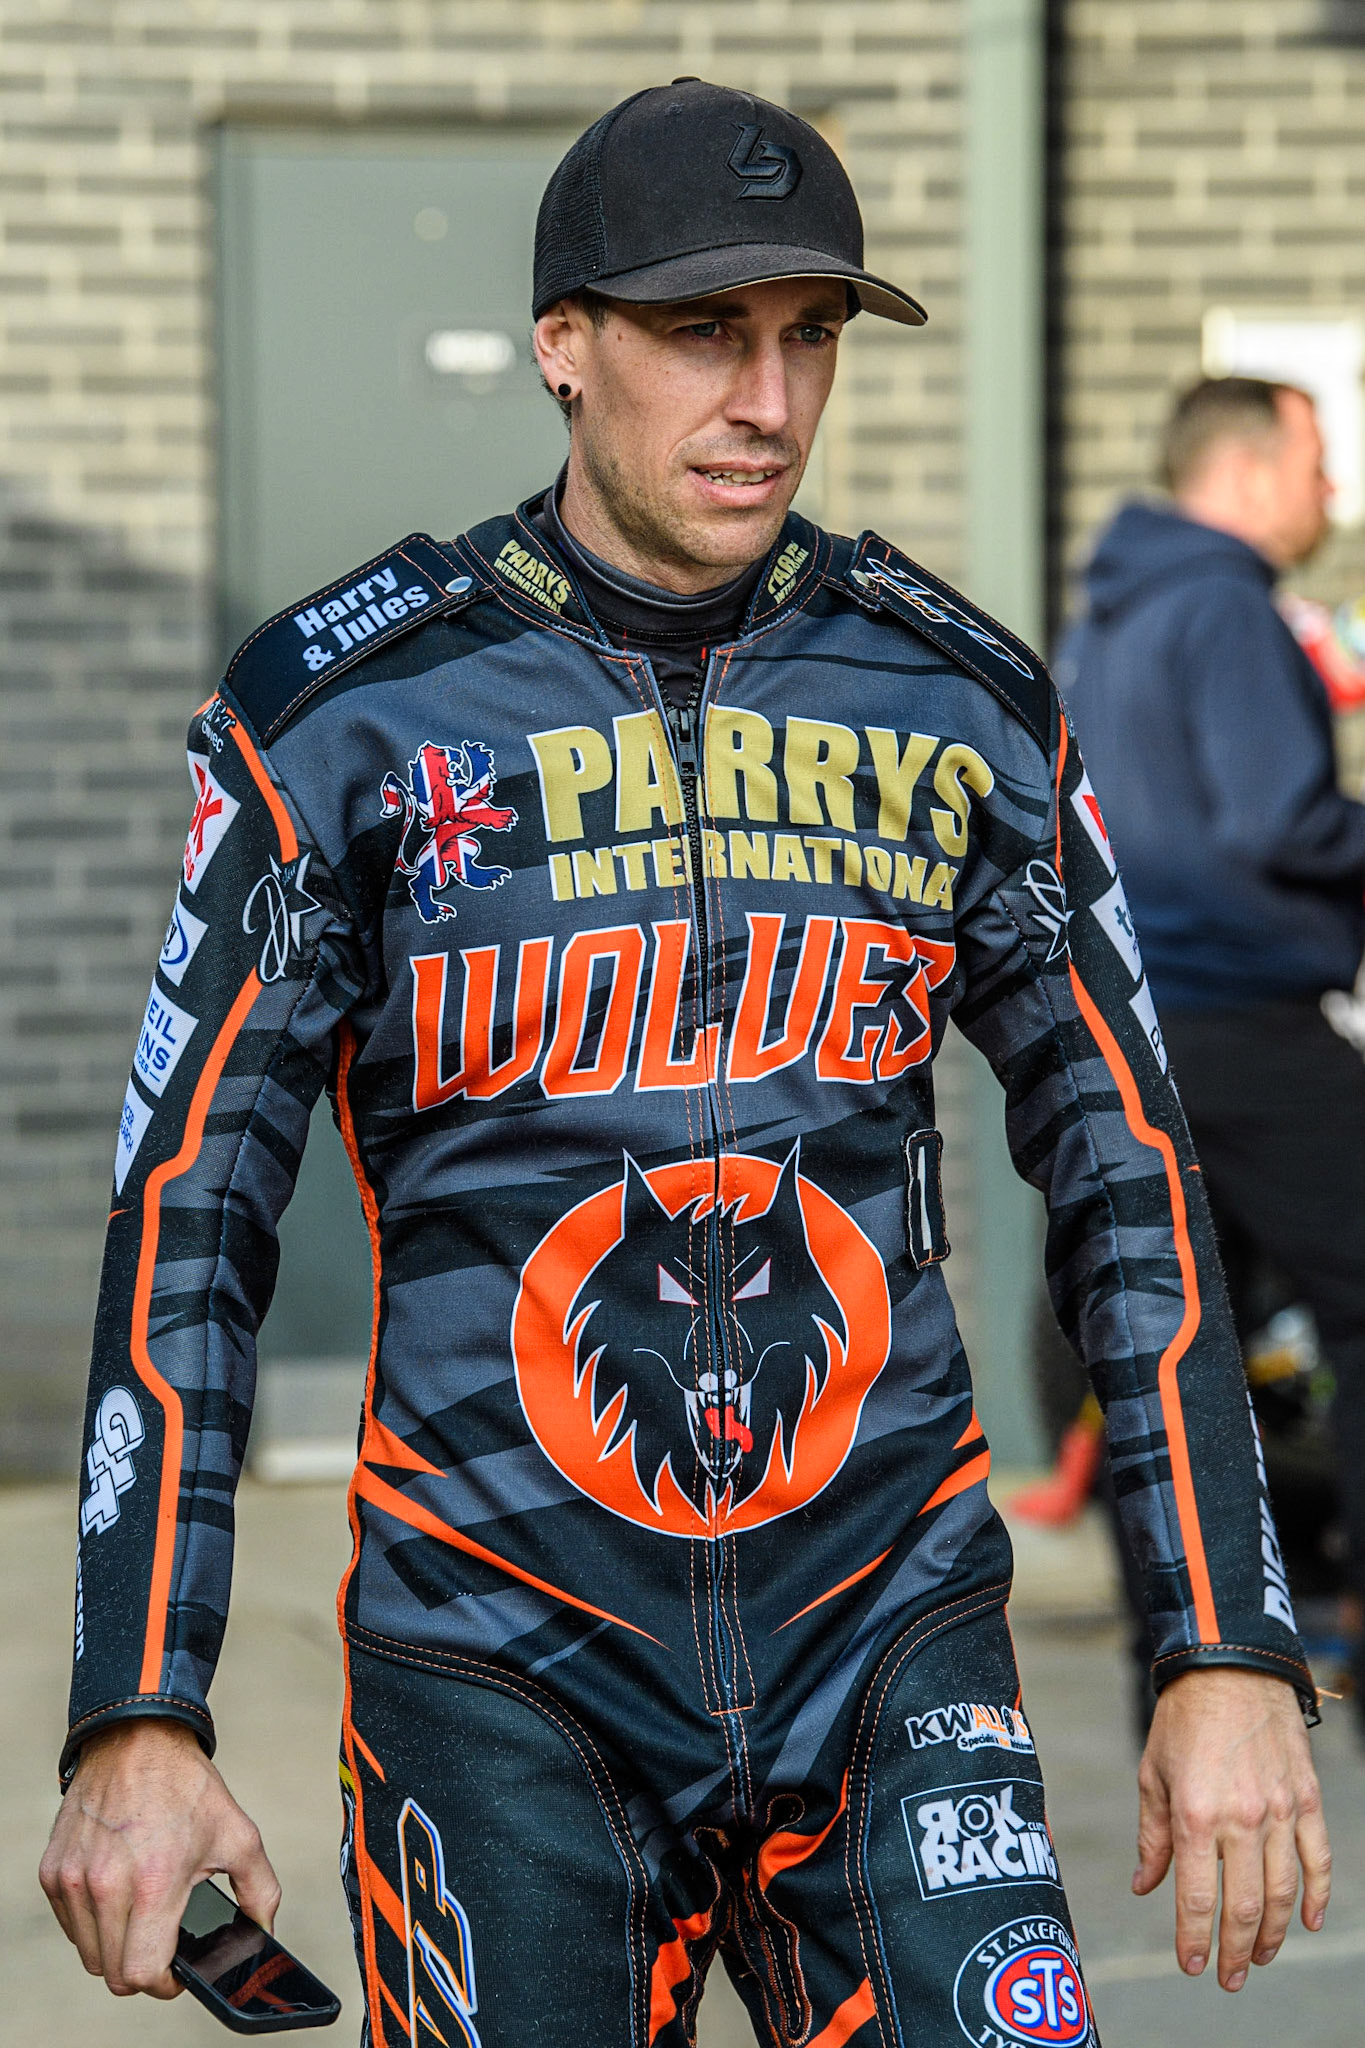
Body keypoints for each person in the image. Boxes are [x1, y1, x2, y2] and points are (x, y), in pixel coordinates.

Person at [41, 85, 1328, 2047]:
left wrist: (1218, 1641)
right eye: (703, 332)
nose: (768, 400)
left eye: (808, 334)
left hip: (888, 1632)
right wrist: (138, 1702)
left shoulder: (954, 698)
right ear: (562, 346)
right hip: (497, 1659)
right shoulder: (344, 714)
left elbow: (1122, 1166)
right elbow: (190, 1207)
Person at [1058, 374, 1365, 1725]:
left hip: (1144, 1031)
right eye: (1316, 464)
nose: (1332, 495)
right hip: (1248, 1024)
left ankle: (1182, 1671)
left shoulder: (1109, 608)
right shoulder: (1227, 604)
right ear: (1243, 474)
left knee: (1180, 1351)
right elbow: (1277, 824)